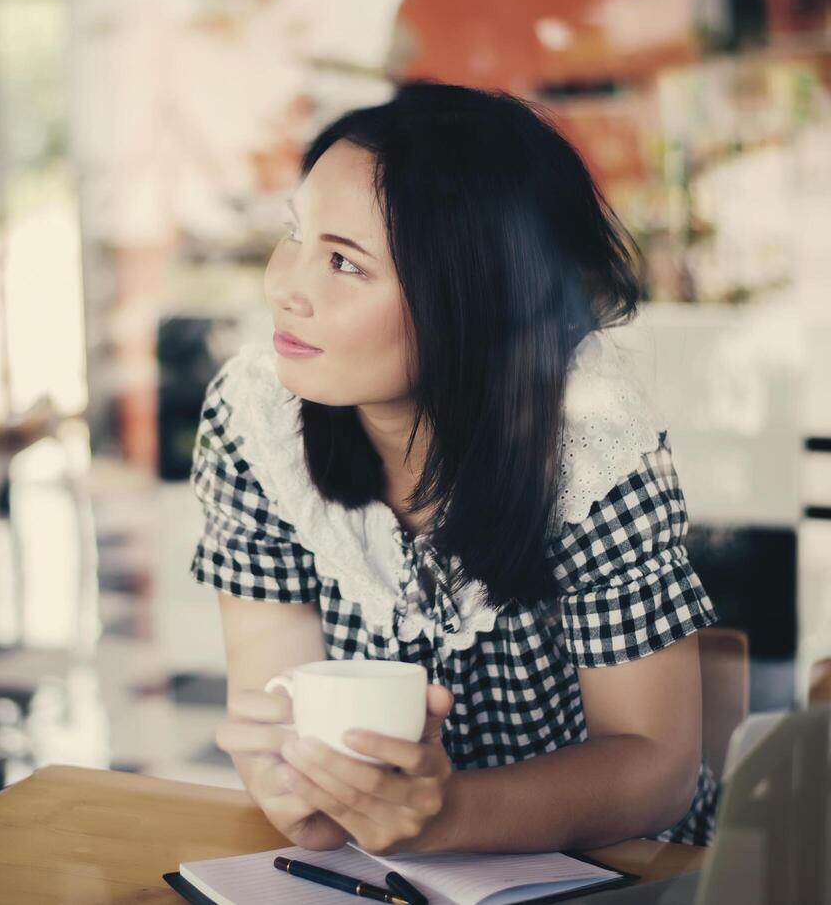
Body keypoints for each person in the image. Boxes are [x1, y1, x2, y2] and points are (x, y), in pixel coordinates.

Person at [193, 81, 718, 856]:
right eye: (294, 235)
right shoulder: (258, 424)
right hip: (382, 871)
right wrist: (291, 782)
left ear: (471, 301)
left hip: (617, 868)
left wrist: (445, 815)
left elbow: (656, 767)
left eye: (343, 262)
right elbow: (278, 712)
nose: (284, 286)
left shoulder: (590, 445)